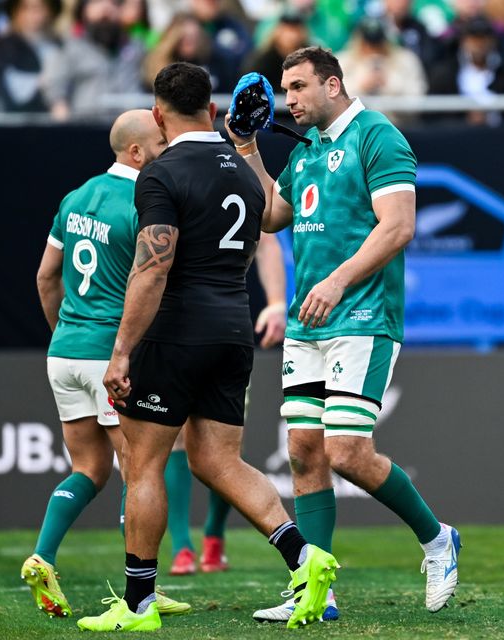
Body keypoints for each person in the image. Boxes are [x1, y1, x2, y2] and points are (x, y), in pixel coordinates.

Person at [79, 62, 337, 632]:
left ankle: (140, 603)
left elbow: (152, 269)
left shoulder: (161, 173)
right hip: (232, 329)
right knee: (218, 460)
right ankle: (304, 556)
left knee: (142, 464)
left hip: (175, 332)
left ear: (157, 116)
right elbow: (252, 245)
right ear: (213, 111)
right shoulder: (244, 173)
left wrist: (122, 351)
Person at [225, 46, 460, 622]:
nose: (291, 101)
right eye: (286, 90)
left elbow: (400, 226)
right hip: (311, 322)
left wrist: (337, 279)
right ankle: (316, 589)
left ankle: (438, 540)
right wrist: (249, 151)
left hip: (363, 314)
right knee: (305, 452)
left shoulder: (377, 136)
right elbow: (270, 217)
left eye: (300, 88)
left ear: (333, 84)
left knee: (348, 452)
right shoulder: (306, 149)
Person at [23, 109, 190, 619]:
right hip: (111, 357)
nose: (168, 152)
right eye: (161, 144)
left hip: (65, 352)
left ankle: (43, 555)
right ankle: (140, 591)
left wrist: (63, 336)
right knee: (138, 471)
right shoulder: (144, 201)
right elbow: (153, 278)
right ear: (135, 152)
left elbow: (45, 277)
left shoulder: (76, 197)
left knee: (88, 469)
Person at [161, 232, 289, 576]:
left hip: (186, 325)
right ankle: (189, 546)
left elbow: (267, 240)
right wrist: (276, 302)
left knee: (211, 445)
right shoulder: (229, 180)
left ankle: (200, 542)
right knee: (203, 443)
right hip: (217, 325)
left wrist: (277, 301)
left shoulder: (179, 182)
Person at [42, 0, 146, 120]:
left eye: (114, 3)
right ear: (83, 9)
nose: (106, 9)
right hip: (85, 128)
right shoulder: (69, 48)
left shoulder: (136, 48)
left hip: (128, 130)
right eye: (97, 2)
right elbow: (54, 91)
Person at [0, 0, 62, 113]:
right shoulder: (5, 46)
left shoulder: (59, 45)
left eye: (38, 8)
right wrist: (38, 83)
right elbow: (3, 90)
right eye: (26, 8)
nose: (32, 15)